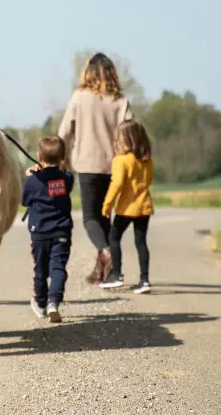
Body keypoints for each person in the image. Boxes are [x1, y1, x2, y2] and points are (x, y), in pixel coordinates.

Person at [57, 53, 133, 285]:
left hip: (87, 163)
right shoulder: (120, 100)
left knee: (90, 218)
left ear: (88, 73)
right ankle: (104, 271)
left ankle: (105, 252)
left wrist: (61, 157)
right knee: (104, 216)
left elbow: (65, 131)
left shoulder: (80, 97)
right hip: (114, 165)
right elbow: (130, 132)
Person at [22, 136, 74, 324]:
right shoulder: (67, 179)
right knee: (58, 267)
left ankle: (41, 303)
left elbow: (24, 201)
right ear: (63, 156)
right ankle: (54, 302)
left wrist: (31, 175)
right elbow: (64, 176)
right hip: (62, 232)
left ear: (39, 156)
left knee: (41, 269)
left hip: (39, 233)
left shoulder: (32, 181)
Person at [100, 119, 154, 293]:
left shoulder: (121, 160)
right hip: (144, 205)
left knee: (114, 237)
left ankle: (117, 275)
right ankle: (144, 280)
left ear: (125, 139)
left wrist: (107, 205)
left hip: (127, 207)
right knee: (141, 242)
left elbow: (116, 184)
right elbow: (148, 180)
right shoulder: (146, 160)